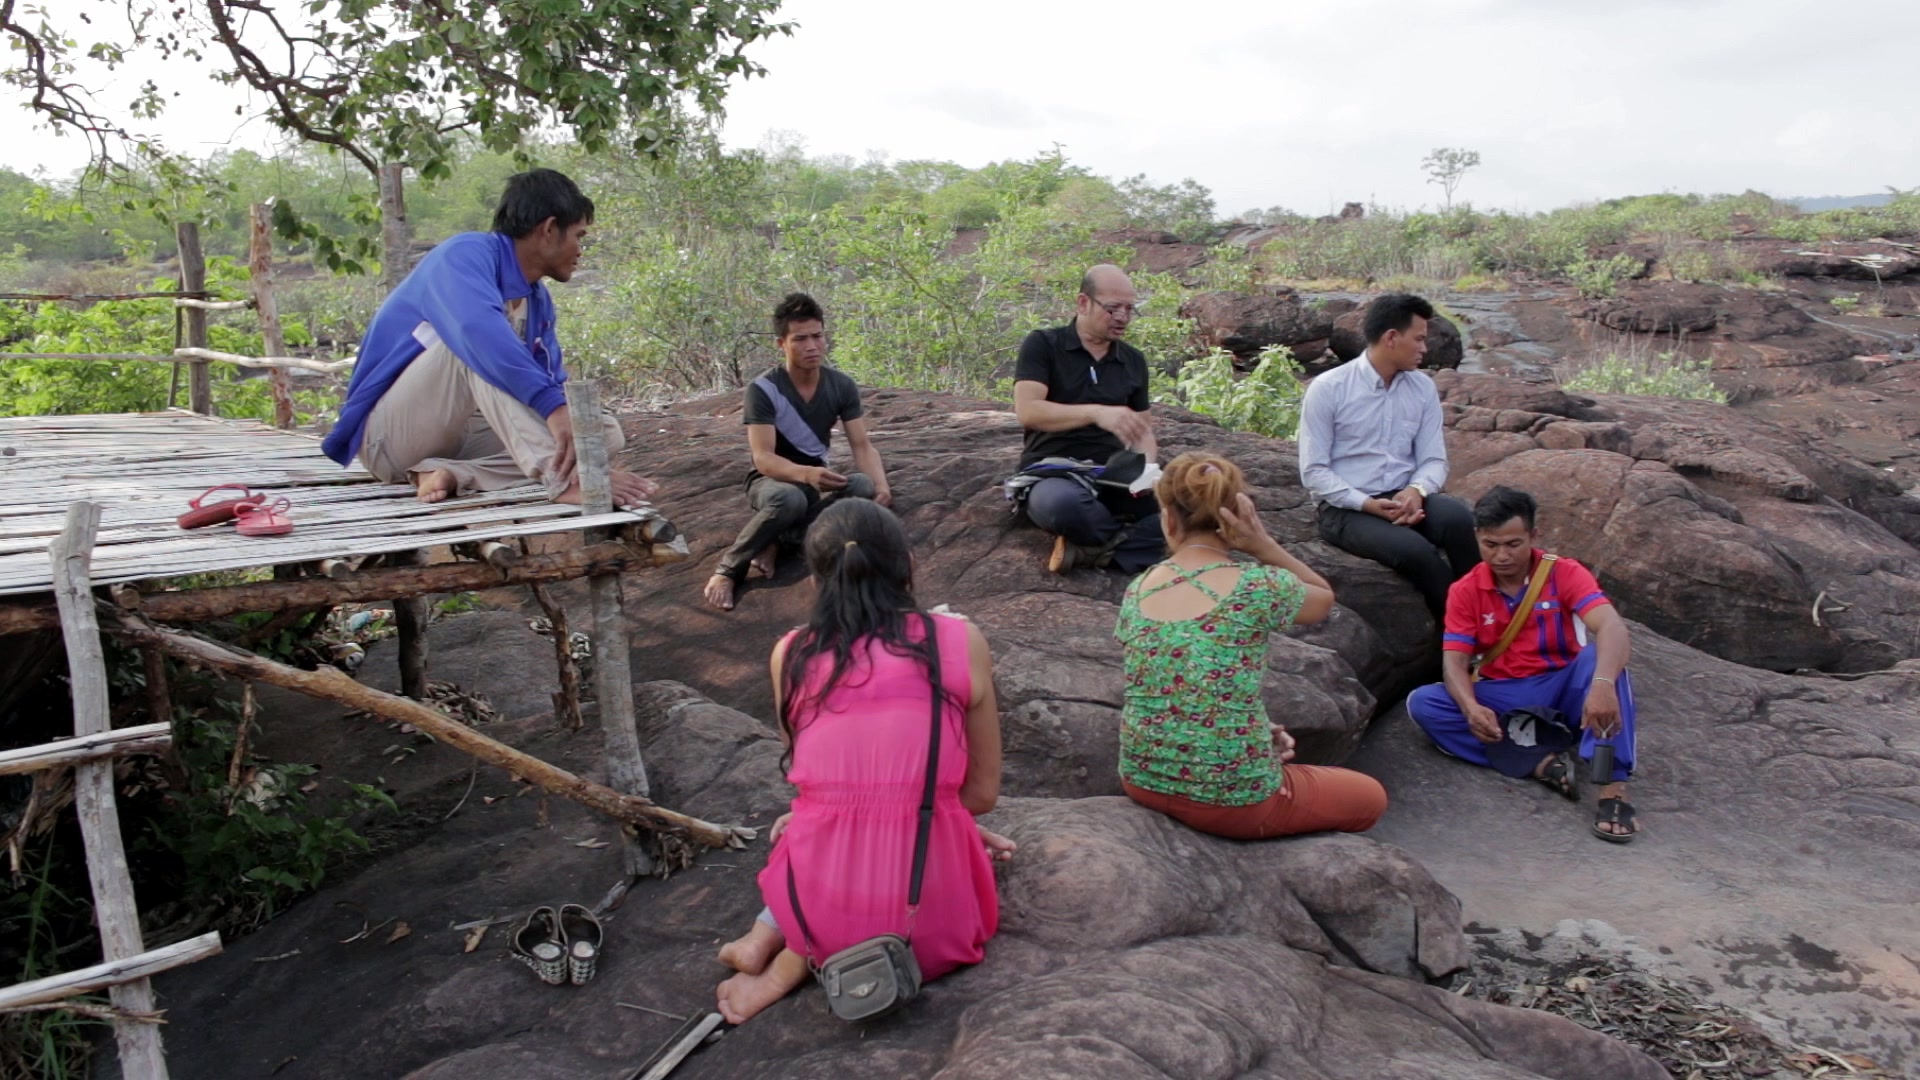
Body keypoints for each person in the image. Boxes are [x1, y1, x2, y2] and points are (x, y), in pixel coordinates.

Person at [714, 499, 1014, 1024]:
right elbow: (982, 795)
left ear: (814, 581)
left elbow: (815, 772)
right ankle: (787, 961)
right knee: (882, 844)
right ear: (909, 568)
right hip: (936, 929)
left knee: (804, 831)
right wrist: (946, 815)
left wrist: (818, 814)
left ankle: (788, 953)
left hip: (823, 914)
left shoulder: (792, 653)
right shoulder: (958, 640)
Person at [321, 168, 656, 508]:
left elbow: (549, 380)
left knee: (602, 432)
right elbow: (475, 333)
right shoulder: (463, 256)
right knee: (472, 351)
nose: (581, 249)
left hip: (464, 434)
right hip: (390, 438)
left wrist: (563, 416)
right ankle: (563, 480)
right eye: (579, 236)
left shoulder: (536, 301)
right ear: (549, 229)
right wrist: (554, 410)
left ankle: (452, 474)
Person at [1114, 452, 1388, 839]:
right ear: (1236, 518)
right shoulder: (1257, 585)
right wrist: (1263, 546)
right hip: (1233, 800)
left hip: (1142, 778)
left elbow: (1178, 682)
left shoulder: (1138, 588)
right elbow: (1323, 598)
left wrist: (1255, 731)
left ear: (1169, 519)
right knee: (1370, 797)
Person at [1405, 486, 1640, 842]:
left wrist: (1603, 685)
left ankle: (1612, 789)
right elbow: (1454, 662)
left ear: (1533, 535)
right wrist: (1471, 708)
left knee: (1602, 661)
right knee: (1425, 704)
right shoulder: (1465, 590)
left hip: (1564, 686)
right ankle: (1542, 764)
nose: (1501, 556)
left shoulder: (1563, 573)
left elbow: (1611, 626)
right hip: (1505, 694)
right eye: (1490, 544)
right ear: (1477, 538)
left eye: (1513, 544)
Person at [703, 293, 891, 611]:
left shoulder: (841, 385)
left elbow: (862, 445)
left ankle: (778, 539)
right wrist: (805, 473)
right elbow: (763, 458)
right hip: (772, 480)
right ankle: (729, 569)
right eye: (800, 339)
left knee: (862, 486)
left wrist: (882, 487)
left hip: (815, 479)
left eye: (817, 336)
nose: (812, 346)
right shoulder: (763, 389)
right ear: (782, 344)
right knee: (791, 499)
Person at [1297, 293, 1476, 619]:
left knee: (1458, 520)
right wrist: (1367, 505)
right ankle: (1466, 638)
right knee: (1417, 552)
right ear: (1391, 338)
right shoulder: (1329, 388)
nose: (1425, 348)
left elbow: (1434, 460)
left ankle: (1491, 615)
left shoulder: (1421, 388)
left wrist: (1416, 491)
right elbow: (1314, 471)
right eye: (1419, 339)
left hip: (1404, 497)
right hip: (1346, 509)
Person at [1011, 264, 1164, 574]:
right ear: (1083, 303)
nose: (1122, 317)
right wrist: (1096, 413)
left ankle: (1091, 549)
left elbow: (1142, 430)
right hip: (1055, 470)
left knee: (1204, 503)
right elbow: (1028, 410)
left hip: (1116, 473)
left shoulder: (1132, 360)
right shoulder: (1044, 344)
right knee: (1064, 508)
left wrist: (1146, 470)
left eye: (1129, 309)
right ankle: (1133, 544)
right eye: (1113, 308)